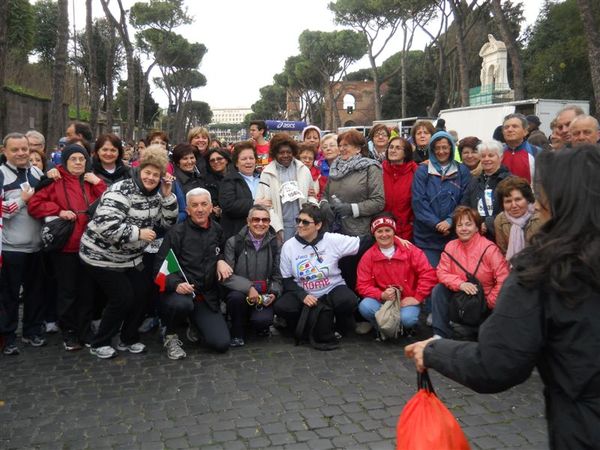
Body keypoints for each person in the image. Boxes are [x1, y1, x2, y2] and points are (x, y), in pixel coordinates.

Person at [405, 147, 600, 450]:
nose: (536, 206)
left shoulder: (542, 271)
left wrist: (434, 351)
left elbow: (496, 364)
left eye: (539, 195)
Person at [79, 145, 178, 359]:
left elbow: (168, 222)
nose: (151, 178)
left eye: (156, 174)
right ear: (139, 169)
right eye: (147, 172)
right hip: (101, 256)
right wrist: (138, 233)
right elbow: (105, 225)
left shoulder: (156, 194)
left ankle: (128, 338)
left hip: (131, 257)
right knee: (122, 297)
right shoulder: (121, 190)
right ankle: (100, 341)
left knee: (142, 292)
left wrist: (168, 197)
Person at [28, 144, 106, 351]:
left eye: (82, 159)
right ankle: (69, 331)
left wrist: (98, 184)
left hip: (91, 246)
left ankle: (85, 329)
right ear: (65, 161)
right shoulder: (55, 179)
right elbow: (35, 204)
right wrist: (59, 210)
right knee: (67, 292)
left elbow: (110, 202)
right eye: (74, 159)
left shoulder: (91, 179)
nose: (78, 163)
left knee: (87, 291)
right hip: (66, 247)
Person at [155, 188, 233, 359]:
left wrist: (220, 259)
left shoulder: (217, 230)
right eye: (194, 205)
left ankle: (195, 323)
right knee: (182, 305)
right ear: (188, 210)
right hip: (180, 294)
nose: (200, 209)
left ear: (211, 207)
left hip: (206, 296)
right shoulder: (176, 233)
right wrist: (176, 284)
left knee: (221, 344)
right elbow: (160, 267)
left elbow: (220, 251)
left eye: (204, 204)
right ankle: (170, 334)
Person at [275, 203, 363, 339]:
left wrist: (392, 238)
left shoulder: (331, 239)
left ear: (318, 225)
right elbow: (286, 280)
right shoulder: (289, 246)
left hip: (332, 288)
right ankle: (302, 325)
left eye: (305, 222)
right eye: (298, 220)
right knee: (282, 307)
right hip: (304, 291)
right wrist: (302, 295)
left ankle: (338, 323)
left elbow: (362, 242)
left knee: (348, 300)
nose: (300, 225)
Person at [430, 206, 509, 339]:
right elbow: (442, 272)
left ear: (477, 227)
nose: (464, 228)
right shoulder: (451, 246)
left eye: (468, 224)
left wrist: (488, 302)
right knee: (439, 290)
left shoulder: (490, 249)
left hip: (483, 302)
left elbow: (503, 278)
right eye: (460, 225)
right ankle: (439, 334)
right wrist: (460, 284)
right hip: (460, 297)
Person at [0, 133, 46, 355]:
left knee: (36, 293)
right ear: (4, 151)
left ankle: (32, 331)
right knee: (8, 297)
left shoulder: (37, 172)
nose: (20, 153)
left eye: (24, 149)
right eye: (15, 149)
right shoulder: (1, 174)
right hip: (11, 249)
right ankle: (7, 336)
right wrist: (21, 200)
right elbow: (1, 209)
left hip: (37, 247)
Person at [356, 214, 437, 338]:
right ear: (374, 233)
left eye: (388, 230)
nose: (384, 235)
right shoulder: (368, 256)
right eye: (379, 231)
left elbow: (428, 274)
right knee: (365, 306)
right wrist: (381, 294)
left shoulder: (410, 250)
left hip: (406, 301)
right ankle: (383, 328)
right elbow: (362, 285)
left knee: (408, 319)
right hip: (382, 301)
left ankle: (402, 328)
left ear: (394, 231)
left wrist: (417, 297)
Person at [221, 206, 281, 347]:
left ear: (269, 222)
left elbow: (277, 275)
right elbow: (227, 276)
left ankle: (255, 322)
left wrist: (273, 292)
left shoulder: (275, 244)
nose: (260, 223)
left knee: (262, 322)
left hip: (263, 295)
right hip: (240, 293)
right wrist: (249, 288)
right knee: (235, 298)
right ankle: (237, 332)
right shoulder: (234, 242)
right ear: (248, 221)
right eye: (256, 219)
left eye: (265, 220)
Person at [412, 131, 471, 267]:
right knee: (430, 275)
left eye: (445, 147)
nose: (441, 151)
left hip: (455, 234)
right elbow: (418, 202)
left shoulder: (462, 171)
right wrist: (437, 223)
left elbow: (465, 200)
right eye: (437, 148)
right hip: (427, 237)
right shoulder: (423, 170)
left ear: (451, 147)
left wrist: (450, 220)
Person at [256, 133, 317, 242]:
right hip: (281, 225)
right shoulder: (267, 173)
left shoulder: (303, 169)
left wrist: (313, 209)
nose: (285, 155)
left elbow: (311, 196)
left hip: (303, 224)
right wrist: (277, 228)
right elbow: (265, 205)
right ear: (275, 154)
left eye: (288, 152)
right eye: (281, 153)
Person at [322, 129, 384, 236]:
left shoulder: (370, 168)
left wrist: (352, 209)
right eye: (340, 145)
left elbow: (378, 201)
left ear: (358, 149)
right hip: (334, 229)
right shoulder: (335, 168)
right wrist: (325, 205)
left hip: (359, 231)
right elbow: (325, 194)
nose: (342, 149)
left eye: (346, 145)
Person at [219, 141, 271, 239]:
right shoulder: (229, 180)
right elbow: (228, 205)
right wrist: (254, 203)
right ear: (236, 163)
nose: (248, 161)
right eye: (244, 159)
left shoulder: (263, 178)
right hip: (239, 235)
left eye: (251, 158)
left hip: (264, 234)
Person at [462, 140, 511, 240]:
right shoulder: (474, 181)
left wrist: (489, 223)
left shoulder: (509, 181)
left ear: (500, 157)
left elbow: (512, 210)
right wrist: (473, 224)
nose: (486, 159)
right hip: (476, 236)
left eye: (491, 155)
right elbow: (465, 206)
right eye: (483, 156)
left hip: (502, 235)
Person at [494, 176, 545, 260]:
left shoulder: (541, 217)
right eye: (508, 201)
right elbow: (503, 251)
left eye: (518, 199)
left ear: (527, 199)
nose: (514, 205)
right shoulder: (500, 220)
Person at [382, 136, 418, 240]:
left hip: (407, 229)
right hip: (384, 229)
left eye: (398, 148)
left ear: (406, 153)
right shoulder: (380, 170)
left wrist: (411, 223)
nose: (393, 150)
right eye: (391, 147)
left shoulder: (415, 172)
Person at [501, 113, 540, 183]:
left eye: (515, 126)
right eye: (506, 127)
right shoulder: (498, 153)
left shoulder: (537, 153)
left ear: (525, 131)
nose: (510, 130)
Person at [171, 143, 205, 222]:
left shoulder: (199, 177)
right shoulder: (174, 182)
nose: (189, 161)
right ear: (177, 162)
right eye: (185, 159)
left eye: (192, 158)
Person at [204, 147, 233, 220]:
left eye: (219, 159)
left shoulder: (236, 177)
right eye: (212, 160)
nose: (216, 162)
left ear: (226, 160)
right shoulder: (206, 181)